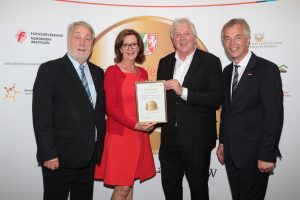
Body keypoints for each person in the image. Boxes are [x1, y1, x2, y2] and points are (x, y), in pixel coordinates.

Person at [32, 21, 106, 200]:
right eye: (78, 37)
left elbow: (97, 112)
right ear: (68, 40)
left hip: (89, 156)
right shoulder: (50, 70)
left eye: (88, 38)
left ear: (92, 43)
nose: (83, 42)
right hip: (59, 159)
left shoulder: (98, 72)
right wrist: (48, 153)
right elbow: (42, 118)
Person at [217, 18, 284, 200]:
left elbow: (274, 117)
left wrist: (267, 155)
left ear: (248, 39)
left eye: (237, 37)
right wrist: (222, 142)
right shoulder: (227, 71)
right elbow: (227, 112)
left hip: (256, 156)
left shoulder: (266, 69)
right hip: (231, 154)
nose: (232, 43)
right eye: (227, 38)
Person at [157, 18, 223, 200]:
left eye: (187, 33)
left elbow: (215, 98)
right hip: (169, 140)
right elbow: (160, 101)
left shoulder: (211, 62)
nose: (182, 38)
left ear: (194, 37)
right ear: (172, 38)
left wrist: (183, 91)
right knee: (171, 191)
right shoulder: (164, 62)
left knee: (199, 191)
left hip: (197, 142)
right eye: (177, 34)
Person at [94, 29, 156, 200]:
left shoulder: (142, 73)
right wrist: (135, 125)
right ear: (120, 48)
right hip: (120, 136)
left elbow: (147, 103)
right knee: (122, 187)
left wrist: (152, 118)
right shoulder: (112, 71)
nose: (130, 48)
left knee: (129, 185)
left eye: (134, 44)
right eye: (126, 44)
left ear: (139, 47)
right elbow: (110, 107)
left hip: (139, 135)